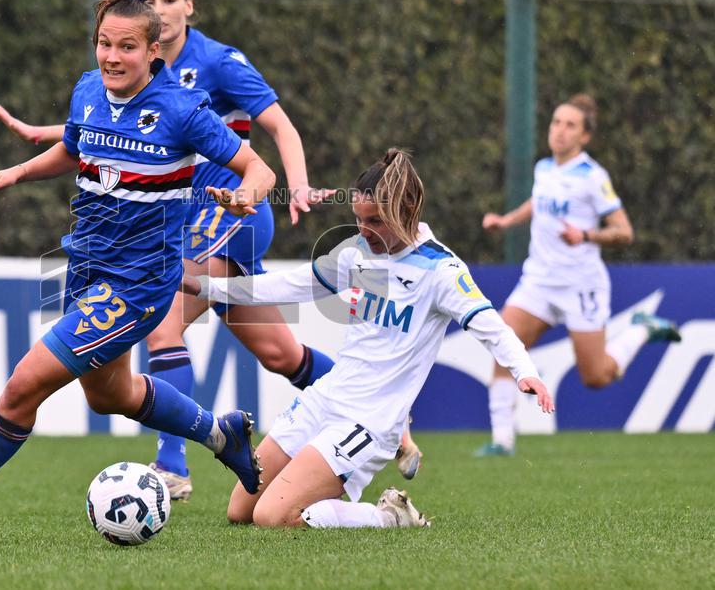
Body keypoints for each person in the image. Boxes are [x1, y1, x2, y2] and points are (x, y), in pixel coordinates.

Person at [0, 0, 423, 499]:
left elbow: (277, 127)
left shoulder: (219, 61)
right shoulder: (131, 66)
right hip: (191, 213)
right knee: (281, 354)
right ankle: (388, 415)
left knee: (164, 325)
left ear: (189, 7)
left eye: (172, 0)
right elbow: (119, 124)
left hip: (229, 211)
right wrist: (44, 135)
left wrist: (298, 184)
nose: (162, 11)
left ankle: (173, 468)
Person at [0, 0, 277, 541]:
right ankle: (221, 435)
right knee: (110, 393)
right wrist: (15, 172)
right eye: (104, 44)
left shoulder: (182, 110)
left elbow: (258, 168)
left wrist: (245, 197)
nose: (112, 57)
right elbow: (74, 144)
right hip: (86, 267)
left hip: (140, 282)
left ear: (154, 49)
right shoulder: (88, 88)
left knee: (23, 386)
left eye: (127, 46)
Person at [181, 149, 554, 529]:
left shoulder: (441, 270)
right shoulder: (357, 253)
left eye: (375, 220)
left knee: (272, 517)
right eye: (358, 220)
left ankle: (387, 517)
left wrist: (525, 370)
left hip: (369, 423)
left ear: (406, 209)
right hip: (325, 399)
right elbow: (289, 285)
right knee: (240, 511)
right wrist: (205, 287)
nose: (364, 230)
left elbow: (490, 325)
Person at [475, 94, 681, 457]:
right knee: (503, 347)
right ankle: (502, 442)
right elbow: (538, 202)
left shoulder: (593, 177)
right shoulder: (543, 169)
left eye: (570, 125)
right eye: (556, 122)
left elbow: (624, 231)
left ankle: (641, 329)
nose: (560, 131)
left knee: (597, 376)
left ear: (584, 137)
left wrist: (585, 235)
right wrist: (506, 221)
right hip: (538, 281)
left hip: (580, 285)